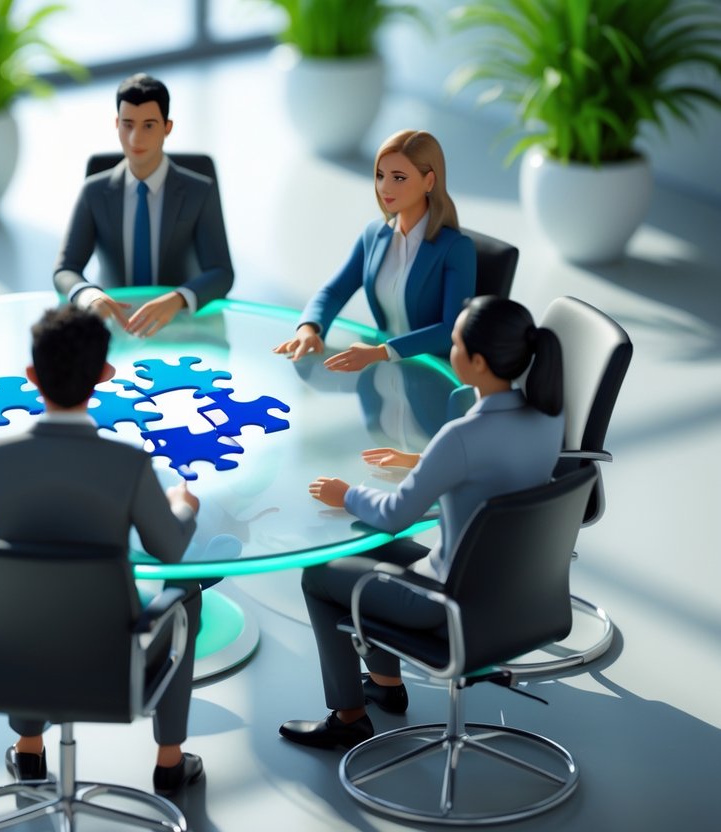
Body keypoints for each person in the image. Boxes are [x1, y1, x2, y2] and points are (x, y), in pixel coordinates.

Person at [279, 296, 564, 749]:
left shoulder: (462, 437)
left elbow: (396, 514)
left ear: (478, 362)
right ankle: (386, 686)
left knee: (318, 574)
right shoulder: (549, 418)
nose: (449, 351)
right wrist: (421, 461)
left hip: (447, 600)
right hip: (513, 591)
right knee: (362, 546)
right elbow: (485, 472)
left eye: (455, 343)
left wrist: (346, 493)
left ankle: (348, 717)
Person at [0, 306, 206, 796]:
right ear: (104, 375)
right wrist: (184, 506)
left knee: (21, 599)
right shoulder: (129, 463)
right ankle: (170, 760)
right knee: (186, 589)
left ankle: (29, 748)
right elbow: (170, 550)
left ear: (31, 376)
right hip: (109, 661)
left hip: (12, 657)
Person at [274, 129, 475, 371]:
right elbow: (335, 291)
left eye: (398, 178)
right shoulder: (374, 235)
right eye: (380, 176)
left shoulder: (455, 248)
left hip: (432, 370)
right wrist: (309, 327)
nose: (384, 187)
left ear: (429, 181)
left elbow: (451, 329)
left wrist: (383, 352)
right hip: (382, 369)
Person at [54, 73, 234, 338]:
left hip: (180, 327)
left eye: (148, 125)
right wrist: (89, 295)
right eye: (127, 125)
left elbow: (221, 272)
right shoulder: (93, 192)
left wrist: (179, 298)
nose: (135, 138)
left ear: (167, 127)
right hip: (114, 325)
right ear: (117, 124)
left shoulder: (199, 191)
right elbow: (65, 269)